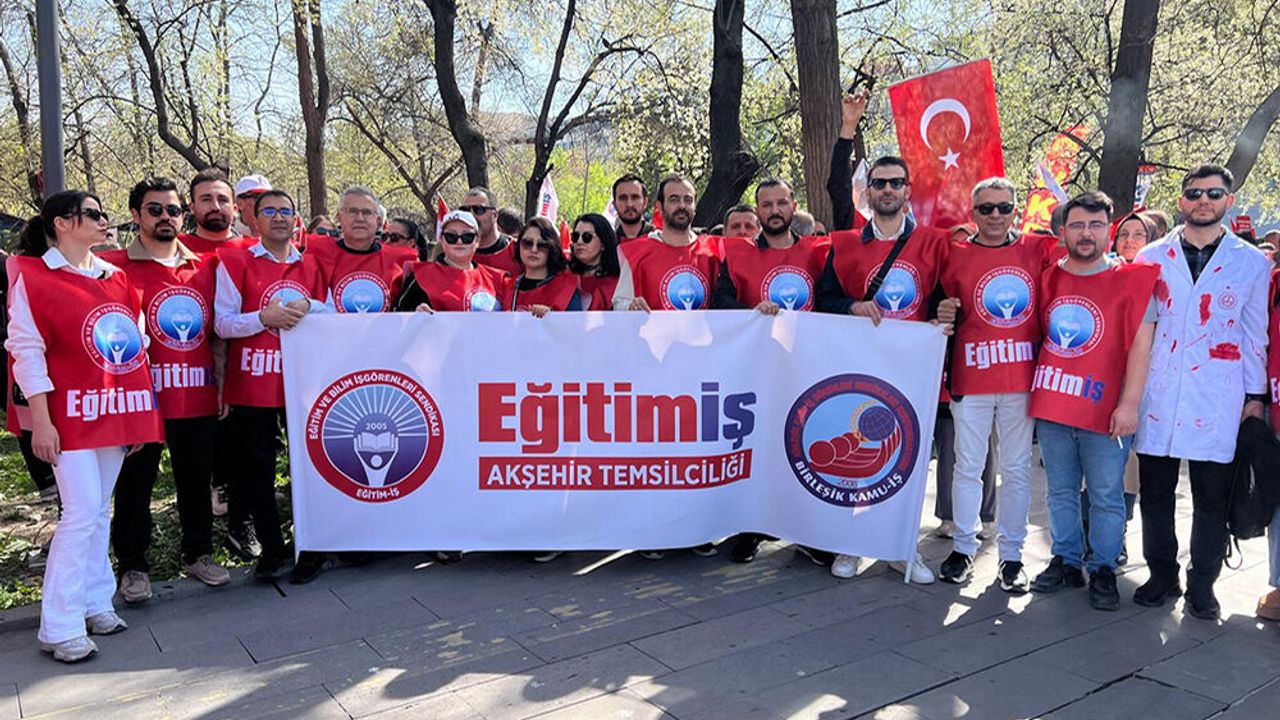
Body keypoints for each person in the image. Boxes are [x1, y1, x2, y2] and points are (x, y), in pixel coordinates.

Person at [5, 190, 164, 662]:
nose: (103, 220)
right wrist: (41, 423)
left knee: (97, 511)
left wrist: (135, 417)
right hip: (68, 416)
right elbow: (26, 353)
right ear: (61, 223)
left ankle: (96, 601)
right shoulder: (33, 277)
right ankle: (59, 624)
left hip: (114, 411)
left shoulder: (117, 278)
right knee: (79, 512)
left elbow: (137, 348)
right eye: (92, 214)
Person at [1133, 164, 1271, 619]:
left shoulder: (1252, 263)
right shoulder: (1150, 257)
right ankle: (1161, 574)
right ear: (1181, 201)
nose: (1203, 201)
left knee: (1212, 498)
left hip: (1219, 394)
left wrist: (1255, 398)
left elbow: (1254, 335)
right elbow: (1137, 331)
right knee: (1155, 493)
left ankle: (1203, 583)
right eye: (1194, 193)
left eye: (1213, 193)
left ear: (1228, 200)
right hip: (1160, 391)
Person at [815, 154, 950, 584]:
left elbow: (947, 297)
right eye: (880, 183)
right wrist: (852, 306)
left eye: (895, 183)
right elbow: (824, 300)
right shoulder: (844, 244)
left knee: (908, 460)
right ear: (868, 192)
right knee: (860, 459)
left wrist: (946, 313)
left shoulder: (933, 243)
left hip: (913, 370)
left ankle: (902, 545)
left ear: (907, 190)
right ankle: (853, 543)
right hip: (861, 369)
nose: (887, 189)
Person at [98, 177, 230, 603]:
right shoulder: (112, 267)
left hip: (197, 393)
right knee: (135, 487)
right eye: (155, 210)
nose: (165, 217)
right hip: (142, 400)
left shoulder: (206, 267)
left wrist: (222, 385)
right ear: (136, 215)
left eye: (173, 210)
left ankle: (199, 554)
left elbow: (218, 334)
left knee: (196, 480)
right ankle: (133, 567)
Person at [1027, 190, 1159, 612]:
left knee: (1105, 495)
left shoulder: (1133, 281)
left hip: (1106, 411)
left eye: (1096, 225)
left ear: (1109, 230)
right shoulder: (1047, 278)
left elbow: (1141, 347)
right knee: (1060, 492)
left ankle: (1102, 566)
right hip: (1054, 405)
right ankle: (1067, 559)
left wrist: (1130, 404)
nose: (1086, 234)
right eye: (1078, 225)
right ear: (1064, 231)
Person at [935, 177, 1057, 594]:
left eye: (1004, 207)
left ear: (1015, 210)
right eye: (986, 208)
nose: (995, 216)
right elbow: (936, 302)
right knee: (967, 467)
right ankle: (963, 547)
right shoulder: (954, 253)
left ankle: (1012, 556)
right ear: (973, 213)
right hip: (971, 376)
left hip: (1020, 378)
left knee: (1017, 469)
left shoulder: (1037, 249)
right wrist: (942, 309)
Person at [712, 177, 830, 563]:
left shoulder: (818, 254)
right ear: (758, 210)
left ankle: (809, 532)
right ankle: (753, 528)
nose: (775, 211)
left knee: (805, 446)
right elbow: (720, 302)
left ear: (794, 205)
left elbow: (832, 301)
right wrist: (751, 313)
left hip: (807, 367)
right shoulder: (738, 255)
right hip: (757, 371)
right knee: (758, 449)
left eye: (781, 203)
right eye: (766, 205)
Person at [214, 189, 329, 581]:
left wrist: (310, 307)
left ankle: (312, 548)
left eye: (286, 211)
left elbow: (333, 313)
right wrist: (263, 318)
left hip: (304, 385)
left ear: (296, 219)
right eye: (270, 211)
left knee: (309, 467)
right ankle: (273, 549)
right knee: (258, 471)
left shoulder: (312, 266)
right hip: (253, 384)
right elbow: (222, 323)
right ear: (254, 219)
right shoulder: (235, 262)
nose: (279, 217)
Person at [612, 174, 721, 313]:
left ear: (695, 206)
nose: (682, 206)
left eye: (688, 200)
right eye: (674, 199)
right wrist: (630, 306)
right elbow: (619, 303)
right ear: (659, 207)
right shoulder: (636, 254)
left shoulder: (713, 252)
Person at [310, 187, 418, 316]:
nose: (360, 218)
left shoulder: (402, 261)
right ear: (339, 217)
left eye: (367, 212)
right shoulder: (316, 256)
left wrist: (420, 310)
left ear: (378, 221)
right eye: (352, 211)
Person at [396, 210, 511, 314]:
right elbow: (397, 316)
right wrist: (414, 313)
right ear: (442, 240)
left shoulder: (497, 279)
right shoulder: (420, 276)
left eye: (467, 236)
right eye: (451, 236)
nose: (459, 242)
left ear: (477, 241)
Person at [509, 216, 590, 316]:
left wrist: (552, 316)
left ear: (552, 248)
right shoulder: (506, 287)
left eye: (542, 245)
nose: (534, 250)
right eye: (527, 243)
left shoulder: (566, 289)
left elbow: (575, 323)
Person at [179, 168, 242, 257]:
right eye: (206, 199)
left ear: (235, 208)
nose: (215, 207)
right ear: (192, 208)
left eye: (222, 200)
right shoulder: (175, 250)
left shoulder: (253, 252)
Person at [460, 187, 520, 276]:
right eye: (465, 210)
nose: (471, 215)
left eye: (479, 209)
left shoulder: (518, 251)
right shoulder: (455, 252)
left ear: (495, 215)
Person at [568, 213, 621, 309]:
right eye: (575, 236)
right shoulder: (563, 276)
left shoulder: (619, 283)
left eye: (587, 237)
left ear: (603, 244)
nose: (579, 242)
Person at [612, 173, 654, 242]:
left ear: (645, 202)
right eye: (623, 198)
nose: (629, 204)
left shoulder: (660, 240)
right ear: (614, 204)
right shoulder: (608, 244)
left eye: (635, 197)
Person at [233, 174, 272, 239]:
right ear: (240, 204)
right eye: (259, 198)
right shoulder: (227, 239)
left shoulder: (282, 240)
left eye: (270, 198)